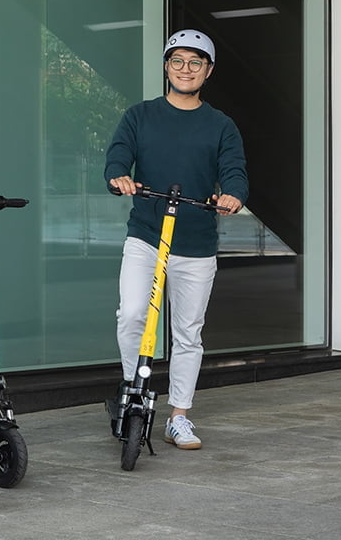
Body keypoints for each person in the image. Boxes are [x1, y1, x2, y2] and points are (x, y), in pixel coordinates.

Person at [104, 29, 248, 450]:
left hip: (197, 242)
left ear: (208, 71)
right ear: (167, 66)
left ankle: (179, 416)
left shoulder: (221, 125)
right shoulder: (140, 115)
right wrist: (119, 176)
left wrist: (234, 194)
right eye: (178, 61)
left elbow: (234, 168)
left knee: (188, 332)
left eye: (195, 62)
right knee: (131, 315)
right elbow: (118, 153)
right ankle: (135, 394)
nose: (186, 69)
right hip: (146, 235)